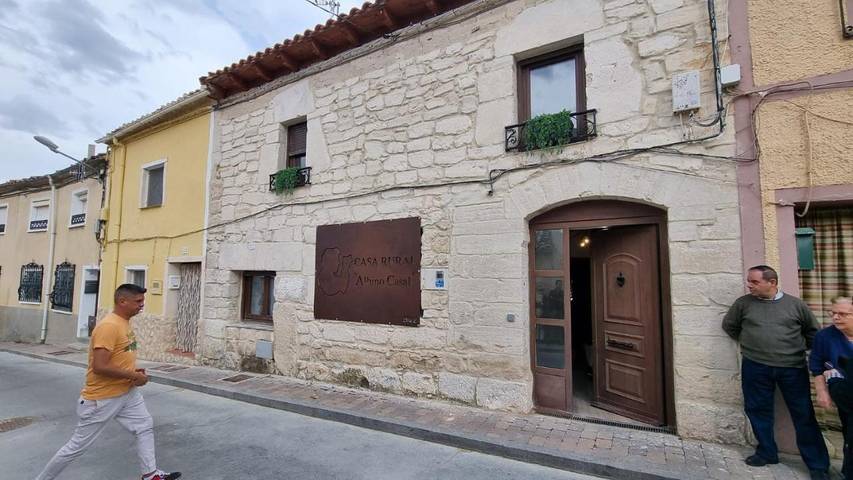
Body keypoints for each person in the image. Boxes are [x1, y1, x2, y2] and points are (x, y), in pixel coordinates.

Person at [35, 284, 181, 480]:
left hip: (126, 393)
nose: (142, 305)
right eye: (138, 301)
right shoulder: (109, 326)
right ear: (122, 301)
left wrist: (133, 373)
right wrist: (133, 376)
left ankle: (150, 475)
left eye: (142, 301)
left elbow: (118, 357)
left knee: (144, 425)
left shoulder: (124, 322)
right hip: (102, 399)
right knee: (76, 447)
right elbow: (100, 366)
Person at [722, 265, 830, 480]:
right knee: (757, 410)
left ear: (772, 282)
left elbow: (813, 334)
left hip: (792, 368)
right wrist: (752, 344)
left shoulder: (795, 305)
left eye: (754, 282)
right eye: (749, 281)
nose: (749, 285)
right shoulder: (743, 304)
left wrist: (797, 350)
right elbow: (730, 326)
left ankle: (817, 465)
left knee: (803, 414)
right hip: (755, 366)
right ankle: (766, 452)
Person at [810, 297, 853, 480]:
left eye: (842, 314)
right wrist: (822, 392)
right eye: (833, 313)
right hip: (844, 392)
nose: (835, 317)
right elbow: (817, 367)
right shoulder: (825, 336)